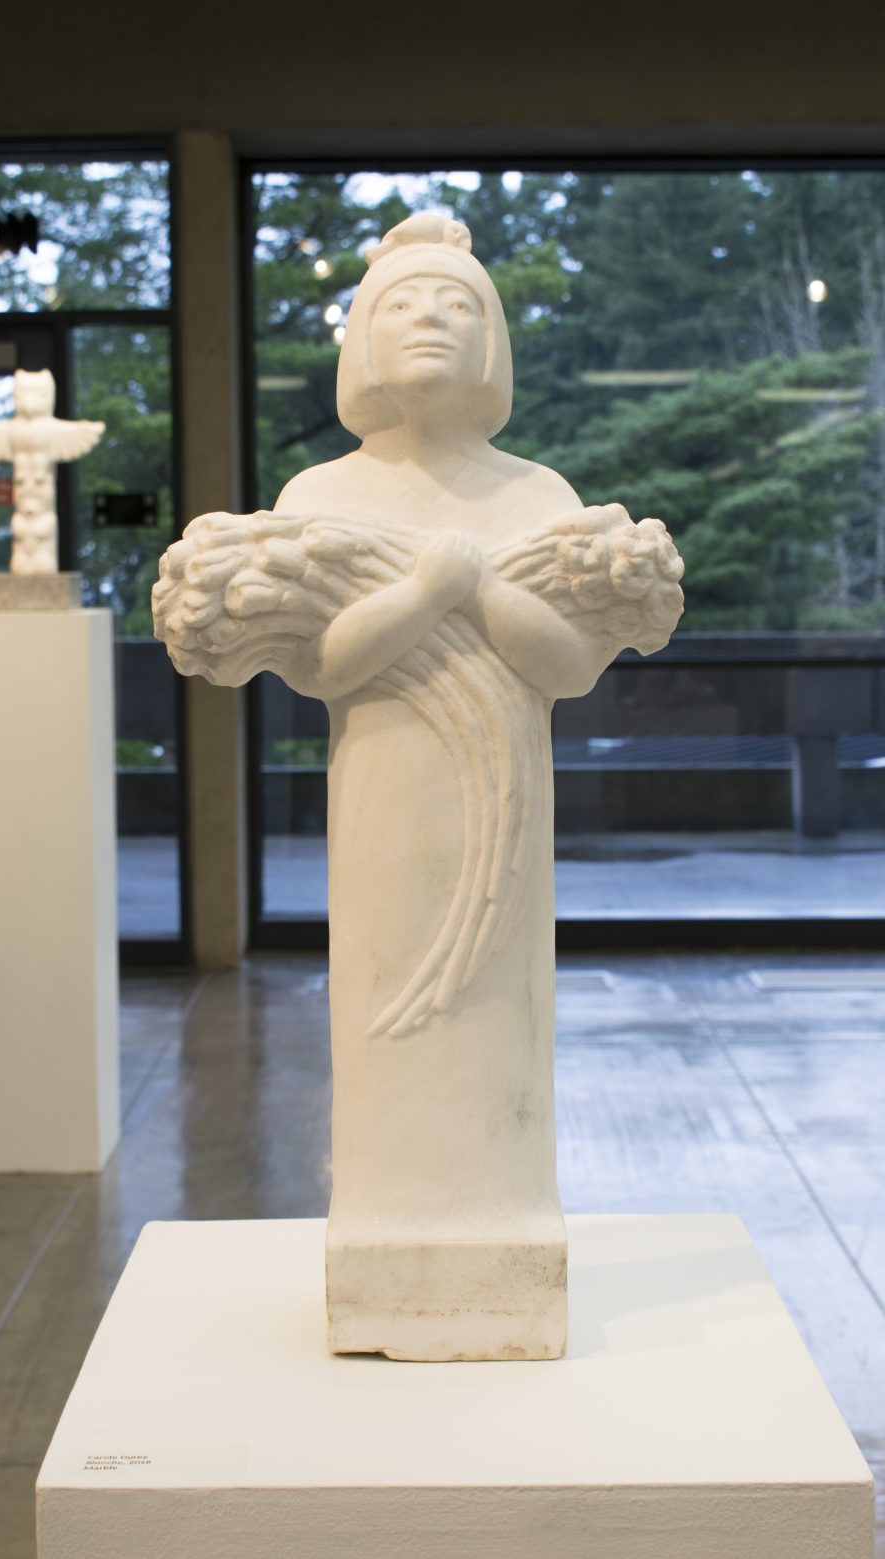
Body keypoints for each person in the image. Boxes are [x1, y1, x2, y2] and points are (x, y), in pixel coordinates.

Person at [153, 212, 683, 1359]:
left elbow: (566, 661)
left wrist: (473, 586)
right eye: (402, 306)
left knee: (494, 1005)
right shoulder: (318, 491)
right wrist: (430, 585)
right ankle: (393, 1226)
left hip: (507, 806)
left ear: (490, 340)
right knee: (390, 991)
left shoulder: (535, 489)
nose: (430, 322)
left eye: (456, 306)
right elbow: (329, 663)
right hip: (384, 795)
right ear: (361, 346)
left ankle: (498, 1223)